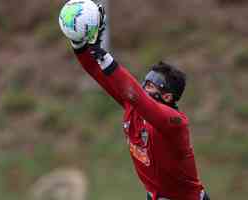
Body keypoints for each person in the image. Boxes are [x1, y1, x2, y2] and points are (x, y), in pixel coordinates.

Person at [67, 4, 210, 200]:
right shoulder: (134, 108)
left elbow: (137, 96)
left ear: (167, 97)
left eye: (151, 85)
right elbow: (96, 73)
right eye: (144, 82)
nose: (144, 87)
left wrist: (104, 55)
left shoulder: (175, 123)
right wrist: (80, 46)